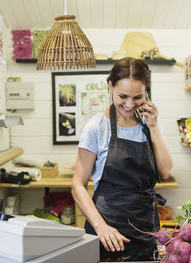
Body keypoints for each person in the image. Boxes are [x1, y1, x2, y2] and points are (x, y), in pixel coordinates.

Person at [71, 57, 173, 261]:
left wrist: (153, 126)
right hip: (107, 231)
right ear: (110, 86)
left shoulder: (147, 125)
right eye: (122, 96)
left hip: (145, 230)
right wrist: (101, 227)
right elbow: (77, 185)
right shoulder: (97, 126)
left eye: (138, 97)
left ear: (147, 93)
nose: (129, 104)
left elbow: (165, 171)